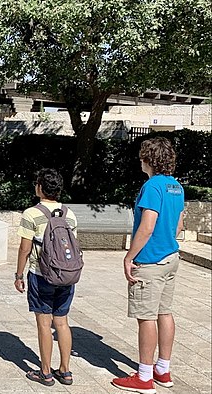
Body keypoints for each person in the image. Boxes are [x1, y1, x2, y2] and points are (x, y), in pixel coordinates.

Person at [112, 137, 184, 394]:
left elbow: (148, 224)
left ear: (149, 159)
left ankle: (143, 377)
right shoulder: (176, 187)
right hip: (171, 258)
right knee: (165, 313)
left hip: (151, 261)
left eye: (142, 156)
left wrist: (129, 256)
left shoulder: (152, 186)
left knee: (147, 318)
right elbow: (178, 226)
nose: (139, 160)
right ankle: (162, 370)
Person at [15, 168, 77, 387]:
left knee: (44, 324)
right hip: (66, 276)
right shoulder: (69, 213)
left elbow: (24, 249)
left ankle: (45, 372)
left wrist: (18, 275)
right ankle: (66, 371)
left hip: (41, 275)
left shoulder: (31, 213)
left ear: (40, 187)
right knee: (62, 322)